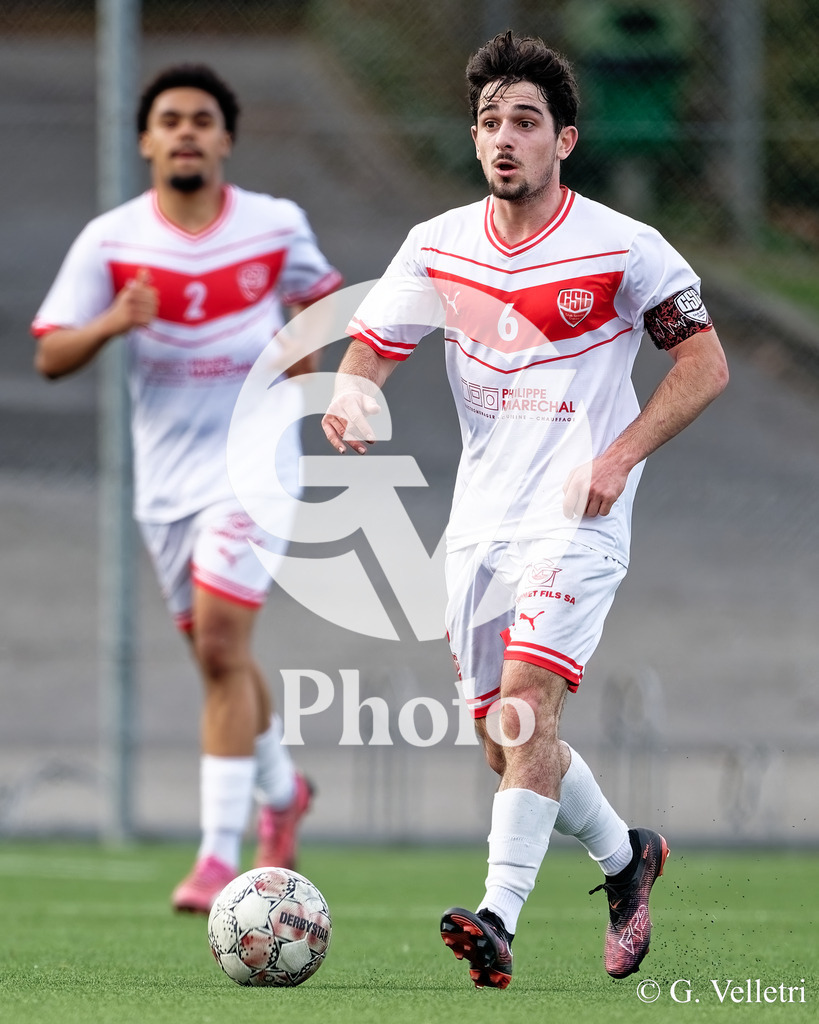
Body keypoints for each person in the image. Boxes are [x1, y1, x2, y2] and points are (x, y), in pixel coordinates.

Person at [322, 32, 728, 987]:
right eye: (490, 121)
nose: (505, 137)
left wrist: (618, 456)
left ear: (564, 140)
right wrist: (352, 391)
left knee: (524, 708)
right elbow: (372, 344)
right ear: (474, 138)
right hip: (478, 524)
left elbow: (704, 365)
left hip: (576, 520)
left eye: (526, 122)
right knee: (505, 743)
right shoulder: (437, 244)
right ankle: (626, 859)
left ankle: (497, 921)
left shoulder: (624, 247)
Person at [33, 64, 342, 913]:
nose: (186, 132)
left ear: (225, 138)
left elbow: (318, 301)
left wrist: (304, 375)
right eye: (169, 120)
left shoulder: (274, 224)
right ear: (145, 140)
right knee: (222, 658)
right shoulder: (112, 241)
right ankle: (284, 794)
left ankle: (215, 859)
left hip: (255, 468)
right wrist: (112, 322)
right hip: (166, 486)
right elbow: (50, 354)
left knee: (218, 646)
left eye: (202, 119)